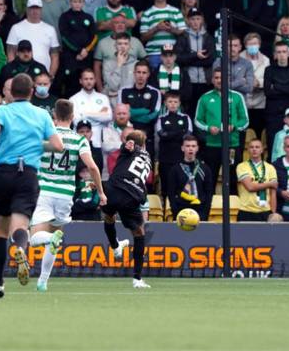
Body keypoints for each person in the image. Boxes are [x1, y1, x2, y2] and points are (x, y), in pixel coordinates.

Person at [0, 73, 64, 299]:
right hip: (27, 173)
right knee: (20, 226)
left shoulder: (2, 111)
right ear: (32, 92)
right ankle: (19, 247)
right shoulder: (41, 114)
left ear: (9, 93)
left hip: (3, 173)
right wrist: (36, 145)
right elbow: (58, 145)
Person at [29, 99, 106, 292]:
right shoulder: (79, 139)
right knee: (55, 237)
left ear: (54, 115)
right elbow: (92, 167)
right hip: (65, 195)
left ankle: (48, 239)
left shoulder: (46, 137)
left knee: (35, 237)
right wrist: (101, 191)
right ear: (72, 117)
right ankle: (43, 282)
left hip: (44, 191)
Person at [101, 130, 152, 288]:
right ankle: (137, 279)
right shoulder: (148, 158)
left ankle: (115, 247)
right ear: (144, 145)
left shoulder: (129, 149)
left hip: (114, 189)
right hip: (131, 196)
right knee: (139, 233)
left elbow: (127, 147)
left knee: (109, 217)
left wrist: (126, 145)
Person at [194, 67, 249, 194]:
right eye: (217, 78)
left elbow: (245, 121)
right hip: (212, 145)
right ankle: (210, 207)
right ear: (212, 80)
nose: (219, 80)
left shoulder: (237, 97)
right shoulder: (205, 98)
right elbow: (197, 120)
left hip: (232, 145)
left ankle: (232, 207)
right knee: (210, 179)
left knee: (232, 179)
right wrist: (208, 128)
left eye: (222, 77)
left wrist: (234, 126)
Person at [174, 7, 215, 120]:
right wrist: (195, 55)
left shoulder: (208, 38)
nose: (195, 22)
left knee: (205, 111)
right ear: (188, 20)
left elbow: (210, 60)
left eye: (198, 18)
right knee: (189, 111)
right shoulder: (182, 38)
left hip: (205, 81)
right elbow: (178, 58)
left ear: (202, 20)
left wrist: (190, 60)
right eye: (192, 19)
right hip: (188, 81)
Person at [6, 0, 60, 79]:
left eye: (37, 8)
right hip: (21, 76)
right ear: (27, 9)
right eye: (32, 8)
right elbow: (10, 53)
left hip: (43, 76)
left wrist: (50, 75)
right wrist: (13, 73)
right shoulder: (16, 28)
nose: (35, 11)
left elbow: (55, 56)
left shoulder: (50, 29)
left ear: (41, 9)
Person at [118, 60, 161, 159]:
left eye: (144, 72)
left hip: (147, 137)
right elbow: (122, 114)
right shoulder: (124, 91)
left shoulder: (155, 92)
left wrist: (132, 112)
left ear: (148, 74)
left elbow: (153, 115)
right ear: (134, 73)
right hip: (128, 138)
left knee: (148, 170)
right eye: (138, 72)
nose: (141, 75)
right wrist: (144, 110)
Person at [58, 0, 98, 97]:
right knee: (69, 83)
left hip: (86, 57)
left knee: (86, 81)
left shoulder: (88, 17)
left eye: (79, 1)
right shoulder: (65, 17)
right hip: (70, 57)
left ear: (83, 2)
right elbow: (64, 37)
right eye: (74, 1)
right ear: (70, 2)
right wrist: (78, 50)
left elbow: (94, 37)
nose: (77, 4)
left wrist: (86, 50)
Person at [156, 91, 193, 206]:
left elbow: (187, 135)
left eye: (175, 102)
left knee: (181, 186)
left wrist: (170, 134)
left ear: (179, 103)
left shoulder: (186, 118)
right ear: (165, 103)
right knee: (166, 187)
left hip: (181, 159)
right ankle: (166, 210)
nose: (173, 104)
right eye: (170, 101)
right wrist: (178, 132)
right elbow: (162, 134)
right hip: (165, 159)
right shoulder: (161, 118)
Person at [264, 41, 289, 156]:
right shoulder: (269, 70)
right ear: (275, 54)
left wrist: (277, 86)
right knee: (273, 145)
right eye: (279, 52)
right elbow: (268, 92)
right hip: (273, 114)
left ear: (288, 53)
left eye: (284, 52)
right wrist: (287, 88)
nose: (281, 54)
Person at [93, 13, 147, 92]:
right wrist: (100, 89)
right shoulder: (102, 43)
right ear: (111, 25)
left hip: (131, 88)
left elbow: (145, 62)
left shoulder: (136, 41)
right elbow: (97, 66)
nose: (120, 25)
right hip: (111, 89)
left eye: (123, 23)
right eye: (117, 23)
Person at [140, 0, 186, 69]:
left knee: (173, 81)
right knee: (155, 82)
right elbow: (143, 37)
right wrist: (156, 28)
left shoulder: (176, 11)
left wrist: (171, 29)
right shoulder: (147, 13)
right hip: (154, 54)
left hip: (172, 54)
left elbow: (183, 32)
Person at [167, 134, 213, 220]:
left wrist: (205, 213)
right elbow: (171, 193)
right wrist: (176, 212)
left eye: (193, 146)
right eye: (187, 146)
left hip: (200, 211)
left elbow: (209, 192)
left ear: (197, 148)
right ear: (182, 148)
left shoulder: (205, 168)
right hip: (181, 211)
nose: (190, 148)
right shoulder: (175, 169)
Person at [236, 138, 278, 221]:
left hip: (265, 211)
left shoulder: (270, 168)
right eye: (251, 147)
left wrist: (273, 213)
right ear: (248, 150)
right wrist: (269, 184)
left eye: (257, 147)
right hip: (246, 211)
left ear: (262, 150)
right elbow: (250, 187)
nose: (254, 149)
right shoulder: (241, 166)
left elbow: (273, 193)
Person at [70, 68, 112, 149]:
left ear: (95, 80)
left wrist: (86, 114)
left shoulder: (103, 98)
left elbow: (108, 117)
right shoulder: (73, 99)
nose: (89, 82)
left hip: (100, 142)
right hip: (80, 143)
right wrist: (99, 116)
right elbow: (76, 121)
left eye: (91, 79)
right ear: (80, 81)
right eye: (86, 79)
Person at [239, 32, 270, 143]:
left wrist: (258, 83)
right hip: (243, 102)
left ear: (260, 44)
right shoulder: (239, 58)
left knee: (259, 134)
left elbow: (268, 78)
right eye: (250, 43)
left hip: (260, 103)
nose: (253, 46)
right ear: (245, 45)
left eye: (255, 43)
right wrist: (249, 82)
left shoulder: (266, 60)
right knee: (243, 136)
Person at [102, 32, 137, 105]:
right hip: (113, 103)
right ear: (115, 46)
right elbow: (113, 86)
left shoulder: (136, 64)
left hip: (132, 102)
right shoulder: (107, 64)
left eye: (125, 44)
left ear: (130, 46)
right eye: (120, 44)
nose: (122, 46)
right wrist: (119, 65)